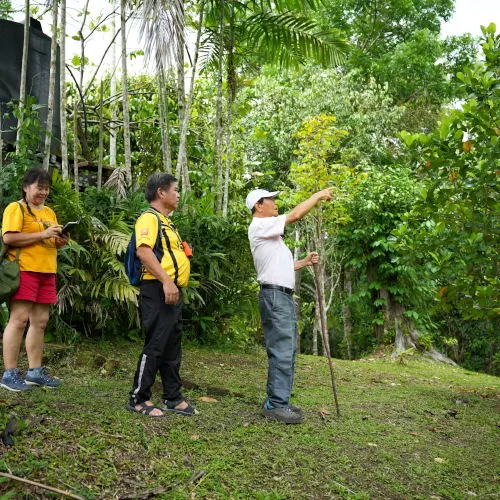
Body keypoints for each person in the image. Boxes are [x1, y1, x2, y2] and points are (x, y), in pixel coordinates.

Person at [246, 187, 333, 424]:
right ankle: (275, 404)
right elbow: (294, 215)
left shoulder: (270, 234)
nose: (275, 203)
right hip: (275, 296)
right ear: (258, 206)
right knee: (282, 349)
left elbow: (276, 267)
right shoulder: (260, 225)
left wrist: (302, 263)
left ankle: (279, 400)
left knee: (287, 349)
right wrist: (316, 197)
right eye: (271, 200)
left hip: (280, 296)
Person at [126, 173, 196, 418]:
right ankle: (138, 398)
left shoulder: (168, 222)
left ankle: (173, 397)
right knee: (156, 343)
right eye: (175, 190)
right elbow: (143, 252)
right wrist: (166, 281)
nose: (178, 194)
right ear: (161, 192)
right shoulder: (149, 218)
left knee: (172, 345)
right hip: (158, 289)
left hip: (173, 290)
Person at [1, 167, 69, 392]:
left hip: (46, 271)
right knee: (19, 320)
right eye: (39, 187)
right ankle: (9, 373)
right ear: (26, 187)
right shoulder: (16, 208)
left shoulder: (49, 213)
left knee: (40, 322)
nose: (43, 192)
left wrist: (59, 241)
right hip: (24, 269)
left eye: (47, 188)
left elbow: (49, 242)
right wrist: (42, 234)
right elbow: (9, 237)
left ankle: (35, 372)